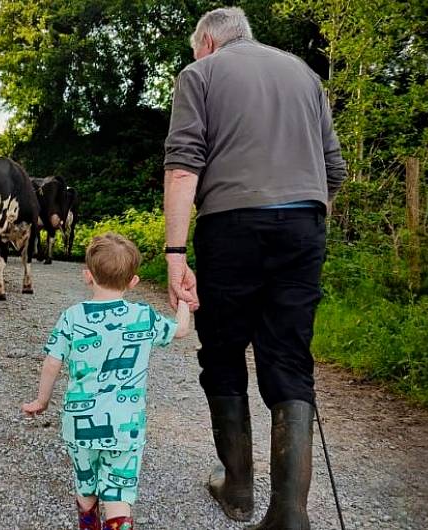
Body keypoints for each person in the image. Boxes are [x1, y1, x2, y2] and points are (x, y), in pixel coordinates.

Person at [162, 6, 347, 530]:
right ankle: (289, 513)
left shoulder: (199, 75)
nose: (194, 56)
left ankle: (238, 489)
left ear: (208, 43)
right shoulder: (306, 75)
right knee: (289, 356)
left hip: (231, 227)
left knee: (222, 350)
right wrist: (306, 221)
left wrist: (176, 256)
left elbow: (183, 165)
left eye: (196, 48)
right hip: (305, 225)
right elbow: (334, 170)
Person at [22, 232, 191, 530]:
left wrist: (42, 400)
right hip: (126, 427)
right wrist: (184, 303)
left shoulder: (72, 317)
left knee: (86, 488)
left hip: (79, 423)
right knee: (118, 493)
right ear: (133, 281)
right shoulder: (143, 316)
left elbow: (51, 362)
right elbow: (179, 331)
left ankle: (88, 522)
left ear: (88, 276)